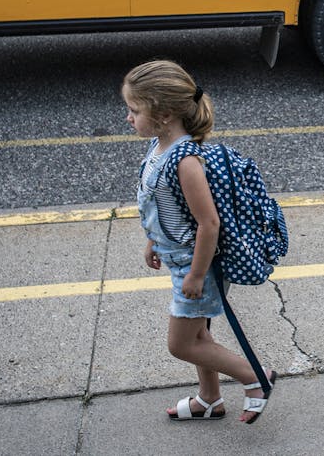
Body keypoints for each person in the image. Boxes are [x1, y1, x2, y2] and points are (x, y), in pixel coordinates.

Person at [123, 59, 275, 422]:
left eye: (134, 110)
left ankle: (255, 378)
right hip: (179, 257)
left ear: (161, 114)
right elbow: (166, 206)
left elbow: (209, 224)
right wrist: (153, 241)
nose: (128, 118)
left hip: (197, 266)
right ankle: (210, 399)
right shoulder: (159, 146)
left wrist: (194, 275)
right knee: (200, 337)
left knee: (182, 344)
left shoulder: (185, 161)